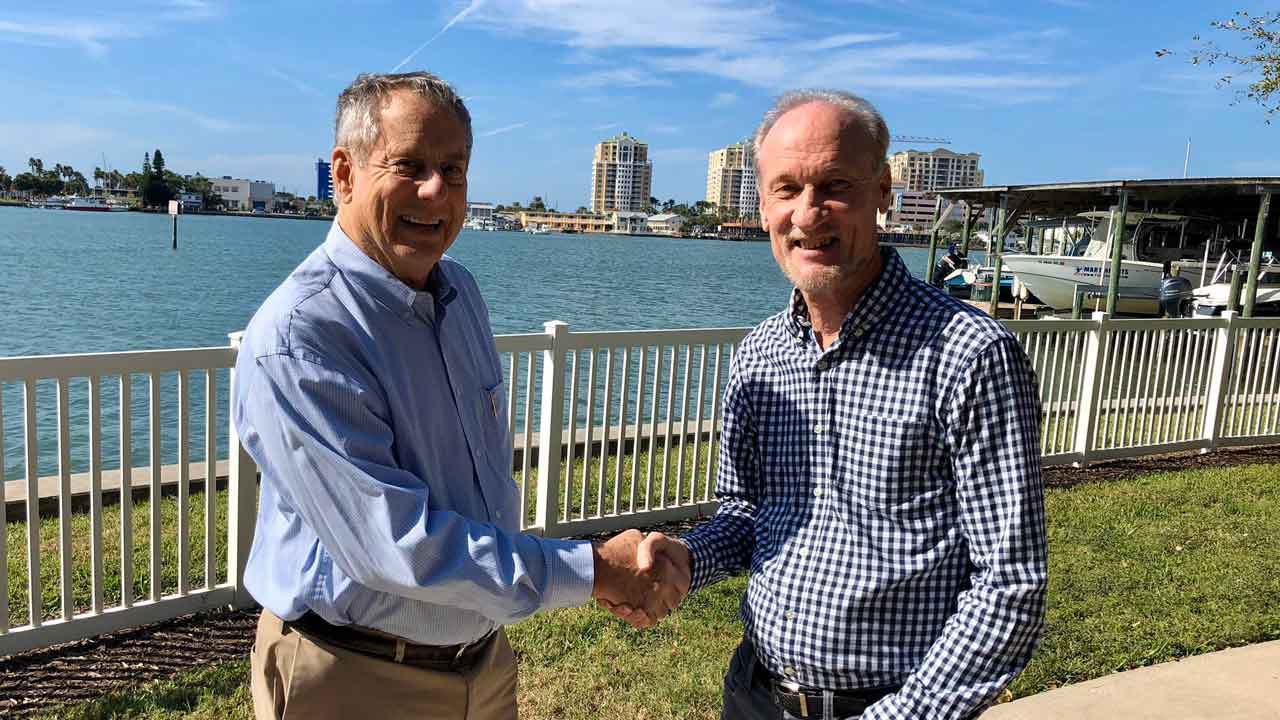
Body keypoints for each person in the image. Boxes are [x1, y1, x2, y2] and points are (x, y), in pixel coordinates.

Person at [233, 71, 684, 720]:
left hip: (482, 663)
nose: (436, 190)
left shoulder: (460, 294)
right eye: (409, 165)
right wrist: (596, 570)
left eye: (454, 168)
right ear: (345, 174)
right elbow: (398, 547)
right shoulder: (302, 336)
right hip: (355, 677)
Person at [631, 90, 1048, 719]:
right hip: (757, 693)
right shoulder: (760, 354)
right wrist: (687, 557)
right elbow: (746, 515)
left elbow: (1009, 584)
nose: (807, 213)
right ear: (763, 200)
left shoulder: (969, 354)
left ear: (883, 192)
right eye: (785, 188)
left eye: (835, 185)